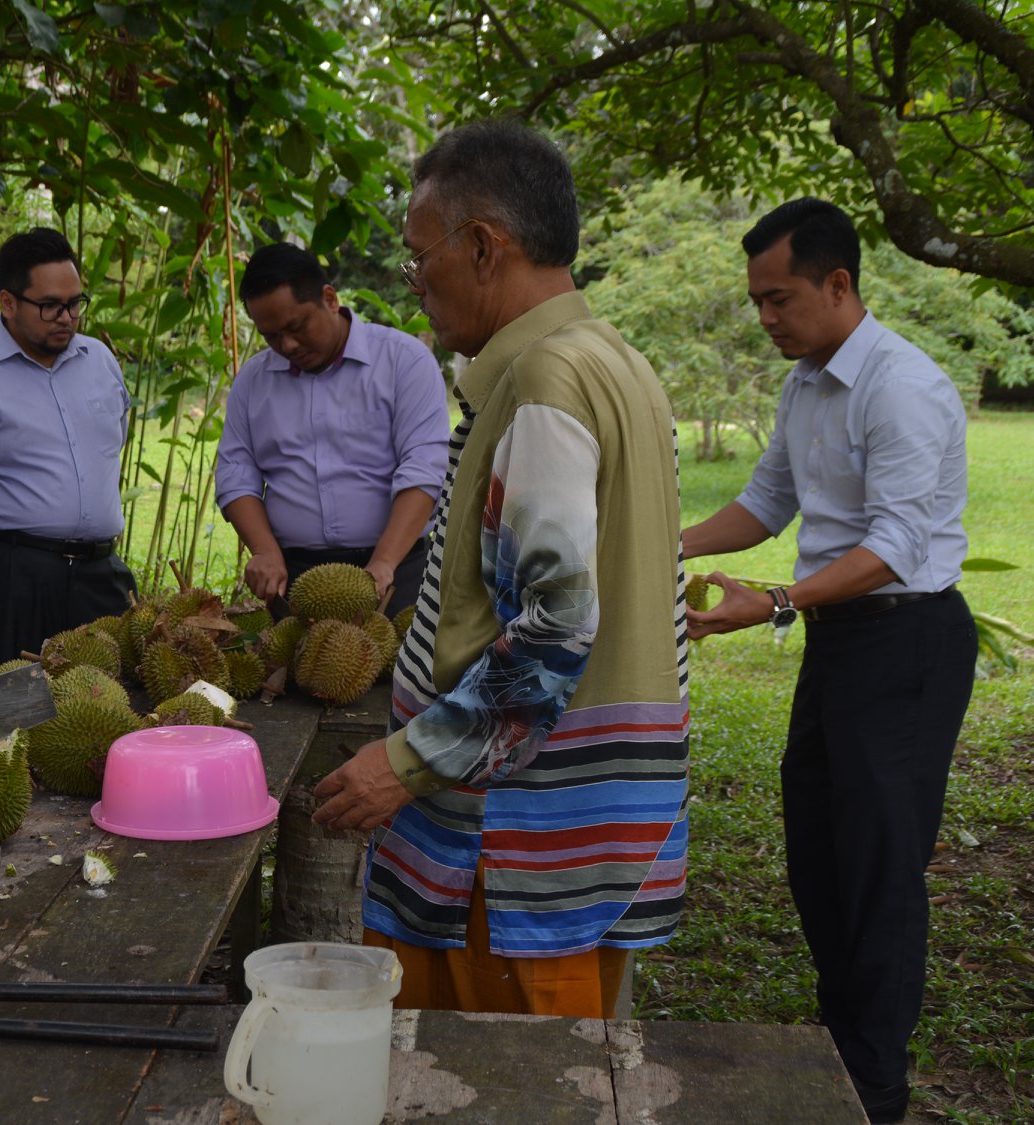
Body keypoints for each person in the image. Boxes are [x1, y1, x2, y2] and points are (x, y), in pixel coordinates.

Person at [312, 120, 690, 1020]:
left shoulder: (545, 384)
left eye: (419, 258)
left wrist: (407, 762)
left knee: (510, 1078)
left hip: (516, 838)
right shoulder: (616, 359)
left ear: (482, 247)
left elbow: (557, 627)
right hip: (582, 823)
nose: (416, 285)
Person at [682, 198, 974, 1125]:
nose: (766, 317)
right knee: (819, 846)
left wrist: (771, 601)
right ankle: (841, 1036)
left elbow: (892, 547)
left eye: (780, 298)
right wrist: (656, 540)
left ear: (838, 284)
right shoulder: (805, 381)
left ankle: (875, 1086)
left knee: (881, 863)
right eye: (758, 301)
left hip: (910, 636)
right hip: (840, 640)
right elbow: (765, 504)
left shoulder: (902, 387)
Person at [0, 227, 136, 674]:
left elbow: (110, 448)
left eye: (75, 304)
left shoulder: (100, 360)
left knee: (107, 707)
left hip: (98, 575)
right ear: (9, 303)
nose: (66, 317)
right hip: (9, 578)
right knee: (10, 715)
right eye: (49, 306)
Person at [215, 243, 448, 614]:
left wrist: (384, 562)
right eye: (271, 336)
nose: (287, 345)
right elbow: (235, 474)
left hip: (396, 571)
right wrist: (265, 550)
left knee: (401, 672)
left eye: (296, 327)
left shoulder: (404, 362)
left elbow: (423, 468)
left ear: (329, 298)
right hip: (294, 578)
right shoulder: (253, 382)